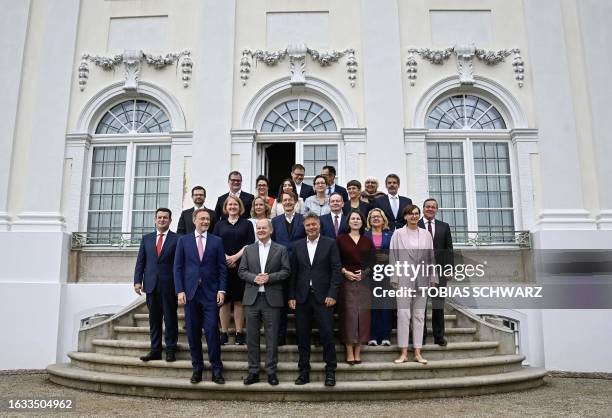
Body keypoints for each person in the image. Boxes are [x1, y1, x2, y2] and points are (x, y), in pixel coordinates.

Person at [288, 212, 342, 387]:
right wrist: (291, 296)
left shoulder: (330, 243)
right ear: (304, 227)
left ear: (319, 226)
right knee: (302, 337)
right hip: (302, 298)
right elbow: (293, 273)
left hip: (323, 298)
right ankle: (303, 372)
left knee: (327, 335)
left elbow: (336, 270)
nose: (311, 227)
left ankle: (330, 372)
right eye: (308, 225)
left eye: (314, 224)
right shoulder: (296, 246)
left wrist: (333, 294)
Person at [173, 208, 227, 384]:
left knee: (212, 331)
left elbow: (221, 268)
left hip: (210, 294)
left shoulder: (217, 241)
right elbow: (178, 267)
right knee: (193, 333)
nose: (205, 222)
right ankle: (197, 368)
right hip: (190, 295)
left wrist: (222, 290)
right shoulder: (183, 241)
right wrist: (180, 290)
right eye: (202, 219)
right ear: (194, 219)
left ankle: (217, 370)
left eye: (208, 220)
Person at [238, 219, 291, 386]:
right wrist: (254, 278)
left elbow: (286, 271)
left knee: (272, 337)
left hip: (272, 299)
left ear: (271, 230)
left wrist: (269, 278)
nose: (261, 230)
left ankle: (271, 372)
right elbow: (242, 271)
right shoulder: (249, 250)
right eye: (258, 228)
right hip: (252, 299)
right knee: (252, 338)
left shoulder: (281, 249)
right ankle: (253, 371)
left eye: (264, 228)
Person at [390, 205, 438, 365]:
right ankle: (403, 352)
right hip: (403, 278)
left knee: (419, 315)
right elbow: (393, 256)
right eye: (410, 214)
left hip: (422, 278)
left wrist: (433, 277)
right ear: (405, 216)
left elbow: (431, 256)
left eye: (416, 214)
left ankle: (418, 352)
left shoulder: (426, 234)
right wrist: (394, 277)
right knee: (403, 315)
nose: (414, 216)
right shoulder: (398, 234)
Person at [134, 208, 179, 362]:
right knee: (154, 320)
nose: (162, 220)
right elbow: (141, 262)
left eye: (165, 218)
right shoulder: (146, 239)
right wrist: (137, 281)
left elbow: (180, 265)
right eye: (159, 217)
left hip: (170, 286)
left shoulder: (177, 239)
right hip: (151, 285)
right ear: (155, 219)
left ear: (170, 220)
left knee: (171, 319)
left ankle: (171, 350)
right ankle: (155, 350)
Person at [213, 195, 256, 345]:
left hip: (241, 266)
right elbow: (215, 243)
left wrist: (234, 258)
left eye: (235, 205)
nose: (232, 207)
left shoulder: (247, 224)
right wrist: (226, 258)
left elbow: (249, 244)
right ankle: (223, 333)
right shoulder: (219, 225)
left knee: (239, 301)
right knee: (223, 301)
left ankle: (239, 332)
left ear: (240, 207)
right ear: (225, 207)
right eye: (230, 205)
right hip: (222, 267)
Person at [336, 211, 375, 364]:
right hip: (346, 281)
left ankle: (358, 351)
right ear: (348, 222)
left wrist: (364, 274)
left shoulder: (367, 241)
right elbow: (335, 260)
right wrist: (345, 272)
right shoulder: (340, 239)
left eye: (358, 218)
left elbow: (373, 263)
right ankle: (349, 351)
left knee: (363, 317)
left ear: (362, 222)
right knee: (349, 316)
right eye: (353, 218)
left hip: (364, 282)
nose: (356, 220)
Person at [271, 191, 306, 345]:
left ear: (295, 202)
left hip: (300, 266)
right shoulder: (275, 221)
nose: (287, 203)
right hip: (281, 267)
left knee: (300, 304)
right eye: (284, 200)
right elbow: (272, 244)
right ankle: (280, 337)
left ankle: (301, 337)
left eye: (290, 200)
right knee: (281, 304)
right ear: (281, 203)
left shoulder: (303, 219)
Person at [418, 198, 454, 346]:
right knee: (420, 306)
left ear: (436, 210)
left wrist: (449, 268)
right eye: (427, 207)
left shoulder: (444, 226)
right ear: (423, 208)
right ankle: (421, 336)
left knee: (438, 305)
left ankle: (439, 336)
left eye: (433, 207)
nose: (430, 209)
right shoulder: (415, 225)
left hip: (439, 271)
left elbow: (449, 249)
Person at [364, 208, 394, 346]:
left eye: (378, 216)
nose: (376, 219)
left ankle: (386, 336)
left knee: (386, 306)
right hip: (370, 275)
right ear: (369, 220)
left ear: (383, 220)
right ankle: (373, 336)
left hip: (387, 274)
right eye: (373, 217)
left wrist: (388, 257)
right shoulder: (364, 235)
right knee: (372, 306)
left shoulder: (391, 235)